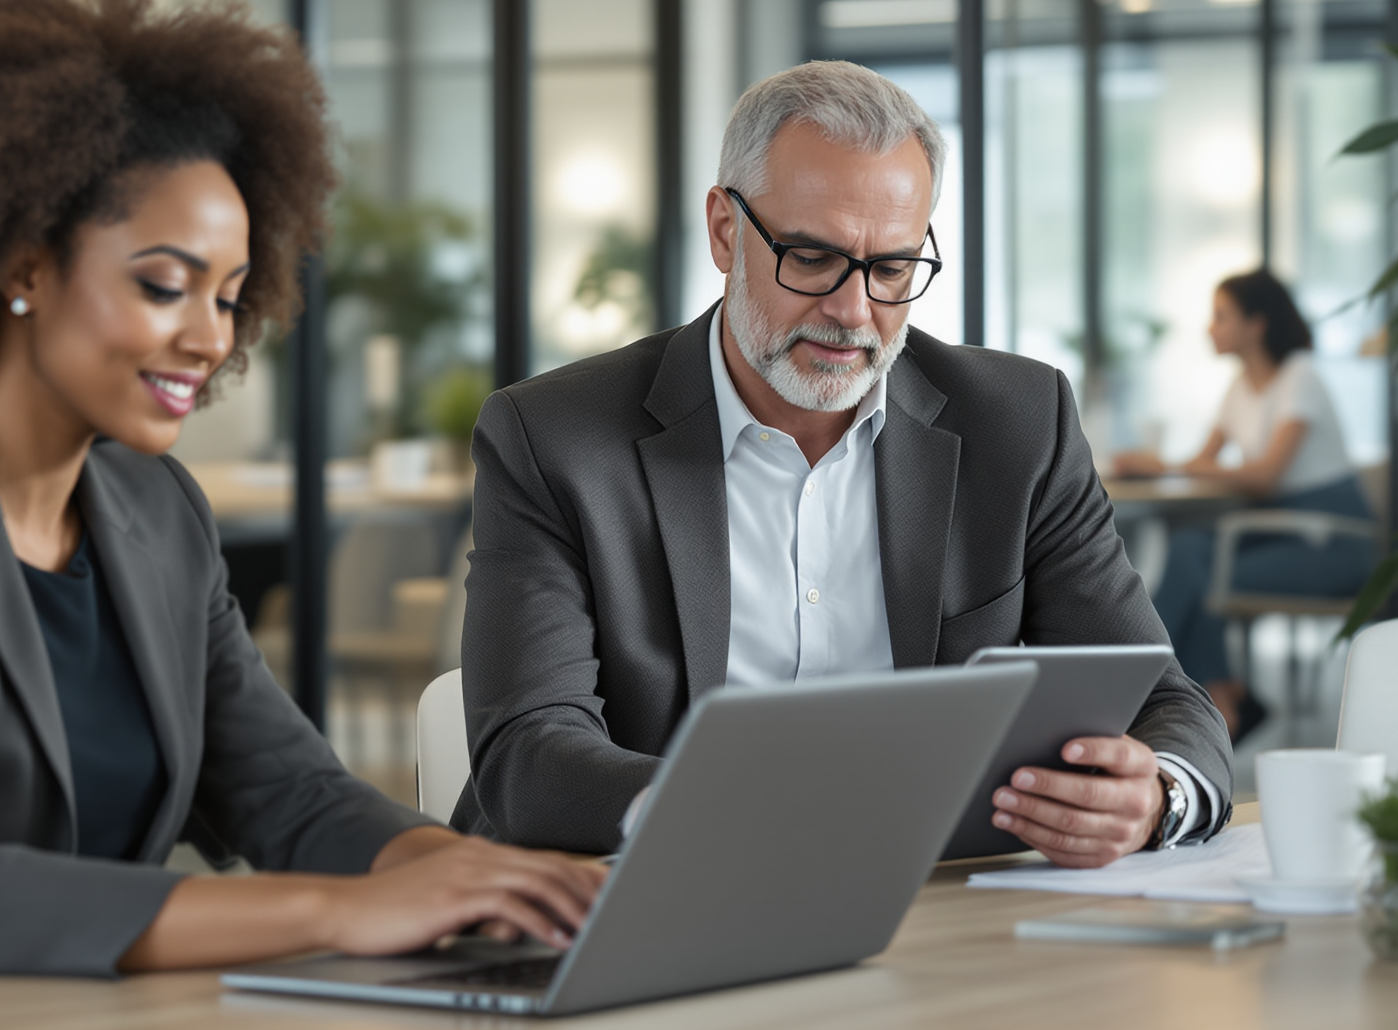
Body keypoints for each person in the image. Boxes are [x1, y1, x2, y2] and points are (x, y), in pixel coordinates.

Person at [0, 0, 603, 1015]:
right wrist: (335, 913)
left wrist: (488, 878)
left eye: (231, 295)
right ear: (22, 265)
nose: (210, 337)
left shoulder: (155, 515)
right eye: (164, 284)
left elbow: (290, 795)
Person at [457, 61, 1233, 868]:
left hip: (935, 912)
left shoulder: (1018, 424)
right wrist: (734, 814)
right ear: (726, 232)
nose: (853, 311)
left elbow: (1167, 705)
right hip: (651, 889)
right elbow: (529, 751)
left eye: (892, 269)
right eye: (813, 258)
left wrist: (1156, 797)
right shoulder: (554, 438)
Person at [1113, 269, 1372, 739]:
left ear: (1257, 325)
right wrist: (1158, 465)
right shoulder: (1238, 389)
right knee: (1193, 549)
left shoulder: (1299, 376)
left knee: (1200, 565)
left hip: (1332, 544)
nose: (1210, 328)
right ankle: (1219, 693)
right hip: (1280, 533)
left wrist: (1176, 466)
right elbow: (1202, 461)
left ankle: (1145, 678)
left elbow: (1267, 475)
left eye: (1221, 317)